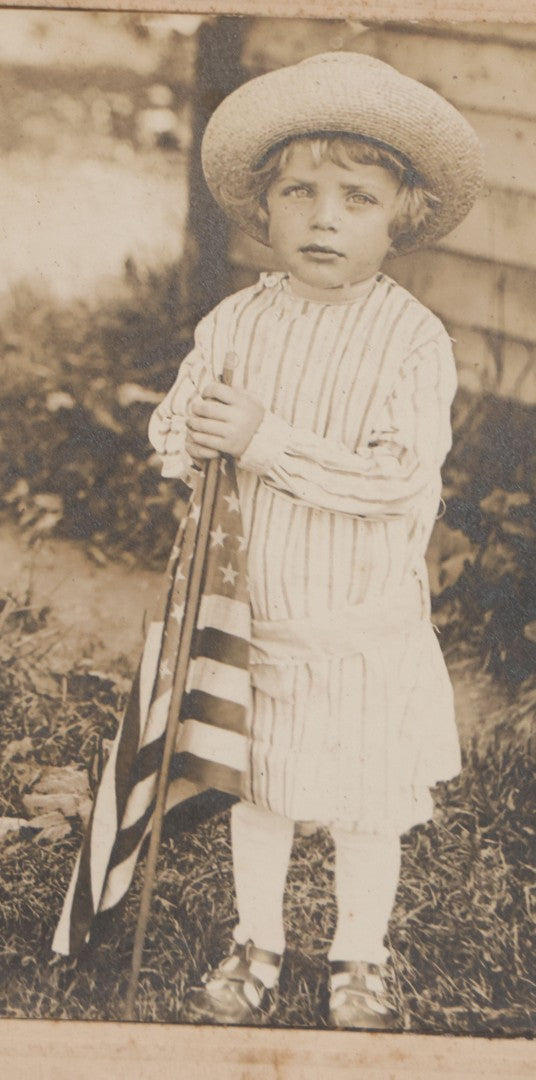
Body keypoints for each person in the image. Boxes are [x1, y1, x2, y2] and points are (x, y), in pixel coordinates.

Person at [147, 51, 483, 1029]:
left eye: (356, 197)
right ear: (262, 209)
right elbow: (177, 430)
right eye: (298, 191)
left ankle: (358, 956)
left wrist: (267, 441)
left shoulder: (409, 339)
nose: (324, 217)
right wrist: (194, 436)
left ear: (400, 216)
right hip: (259, 615)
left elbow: (395, 482)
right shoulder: (235, 322)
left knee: (361, 803)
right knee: (266, 792)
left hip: (361, 624)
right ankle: (255, 940)